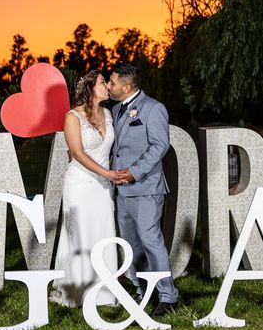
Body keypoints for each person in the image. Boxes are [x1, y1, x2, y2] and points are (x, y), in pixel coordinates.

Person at [107, 64, 179, 317]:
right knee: (131, 244)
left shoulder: (154, 108)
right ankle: (141, 288)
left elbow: (160, 146)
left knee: (151, 240)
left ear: (126, 87)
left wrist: (134, 172)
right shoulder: (115, 109)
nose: (108, 85)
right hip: (121, 191)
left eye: (112, 82)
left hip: (146, 188)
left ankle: (168, 296)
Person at [51, 71, 119, 307]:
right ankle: (76, 291)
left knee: (103, 232)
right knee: (80, 235)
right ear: (90, 88)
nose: (108, 87)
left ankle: (105, 291)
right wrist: (107, 174)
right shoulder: (72, 117)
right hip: (80, 184)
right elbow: (78, 154)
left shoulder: (109, 114)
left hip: (103, 187)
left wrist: (110, 175)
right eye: (103, 83)